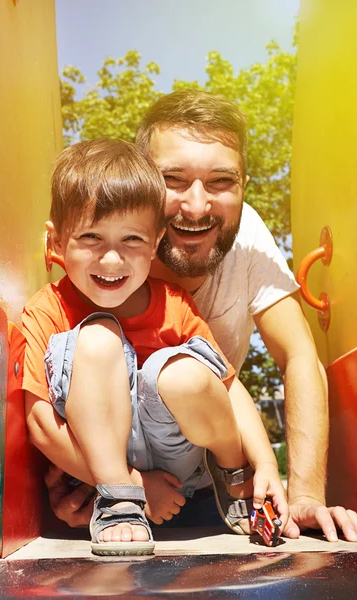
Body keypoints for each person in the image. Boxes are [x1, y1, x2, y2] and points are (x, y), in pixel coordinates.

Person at [46, 90, 357, 543]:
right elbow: (56, 376)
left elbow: (298, 357)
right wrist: (101, 483)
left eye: (220, 182)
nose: (196, 206)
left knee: (182, 374)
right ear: (142, 182)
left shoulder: (246, 233)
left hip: (198, 462)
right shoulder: (106, 247)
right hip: (112, 473)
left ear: (244, 185)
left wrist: (304, 494)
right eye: (173, 178)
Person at [22, 138, 288, 555]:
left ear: (155, 240)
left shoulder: (173, 304)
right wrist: (135, 485)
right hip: (102, 460)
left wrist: (264, 464)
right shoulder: (47, 309)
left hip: (174, 450)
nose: (112, 260)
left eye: (131, 240)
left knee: (184, 372)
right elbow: (41, 426)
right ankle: (120, 503)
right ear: (55, 243)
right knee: (96, 337)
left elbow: (228, 386)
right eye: (92, 237)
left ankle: (231, 473)